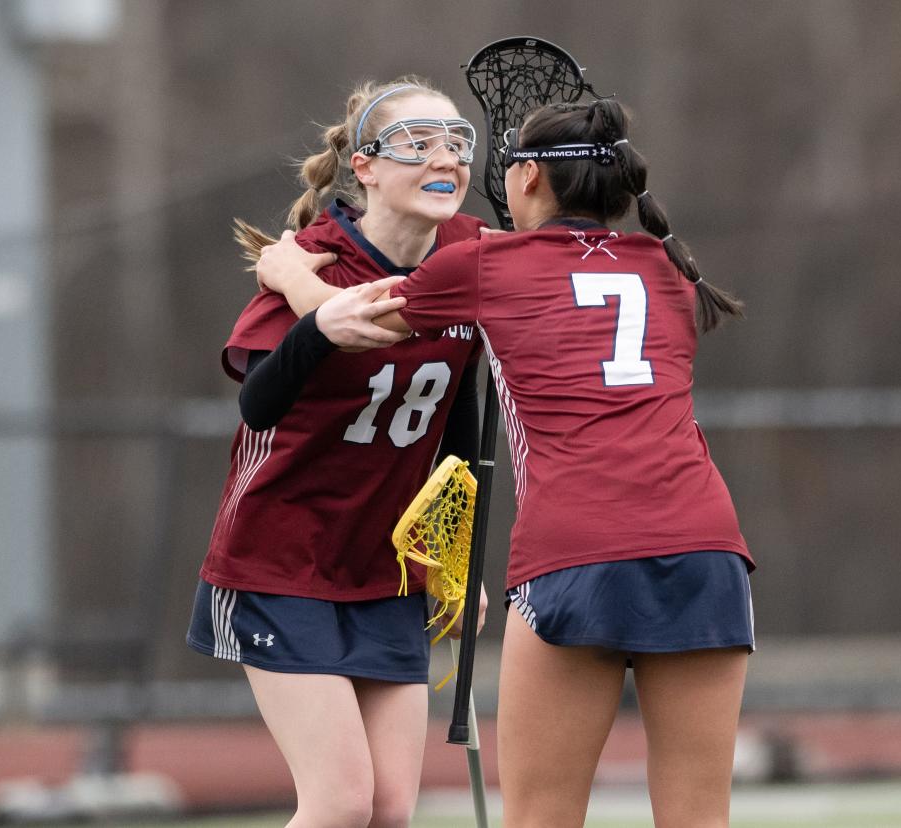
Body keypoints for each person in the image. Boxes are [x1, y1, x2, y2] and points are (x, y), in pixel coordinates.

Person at [256, 98, 755, 828]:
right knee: (699, 819)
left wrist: (287, 275)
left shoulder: (486, 264)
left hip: (576, 551)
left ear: (526, 179)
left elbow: (357, 322)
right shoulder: (672, 270)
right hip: (706, 547)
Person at [187, 76, 488, 828]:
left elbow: (456, 417)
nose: (443, 157)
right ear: (367, 167)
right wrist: (313, 322)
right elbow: (257, 406)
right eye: (417, 144)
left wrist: (457, 552)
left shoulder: (466, 258)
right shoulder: (314, 263)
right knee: (341, 804)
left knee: (389, 811)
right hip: (279, 560)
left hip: (383, 569)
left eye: (456, 141)